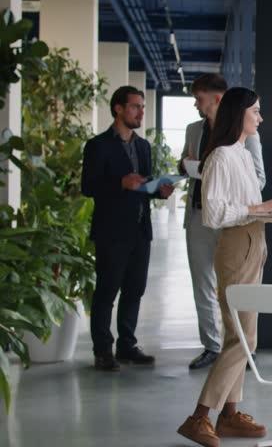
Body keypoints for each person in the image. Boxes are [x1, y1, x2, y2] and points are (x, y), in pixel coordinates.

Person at [177, 87, 272, 447]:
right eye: (255, 111)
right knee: (244, 338)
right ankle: (199, 417)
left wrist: (262, 211)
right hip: (237, 245)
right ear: (238, 113)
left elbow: (243, 204)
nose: (260, 117)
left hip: (254, 243)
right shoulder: (222, 156)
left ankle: (229, 414)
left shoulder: (240, 153)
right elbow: (213, 214)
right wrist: (259, 208)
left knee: (239, 335)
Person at [81, 86, 175, 372]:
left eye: (143, 107)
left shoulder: (143, 146)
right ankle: (102, 351)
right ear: (118, 109)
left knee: (135, 289)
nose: (141, 112)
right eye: (135, 106)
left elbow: (142, 187)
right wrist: (119, 184)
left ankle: (127, 345)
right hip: (111, 230)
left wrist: (158, 192)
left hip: (140, 229)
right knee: (107, 291)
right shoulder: (97, 145)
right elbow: (88, 187)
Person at [179, 73, 267, 370]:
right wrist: (192, 166)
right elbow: (186, 163)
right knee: (202, 282)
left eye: (200, 99)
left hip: (237, 223)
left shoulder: (245, 138)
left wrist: (206, 171)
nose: (196, 105)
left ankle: (239, 349)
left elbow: (257, 177)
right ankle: (212, 346)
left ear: (218, 99)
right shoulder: (196, 131)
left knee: (236, 293)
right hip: (200, 214)